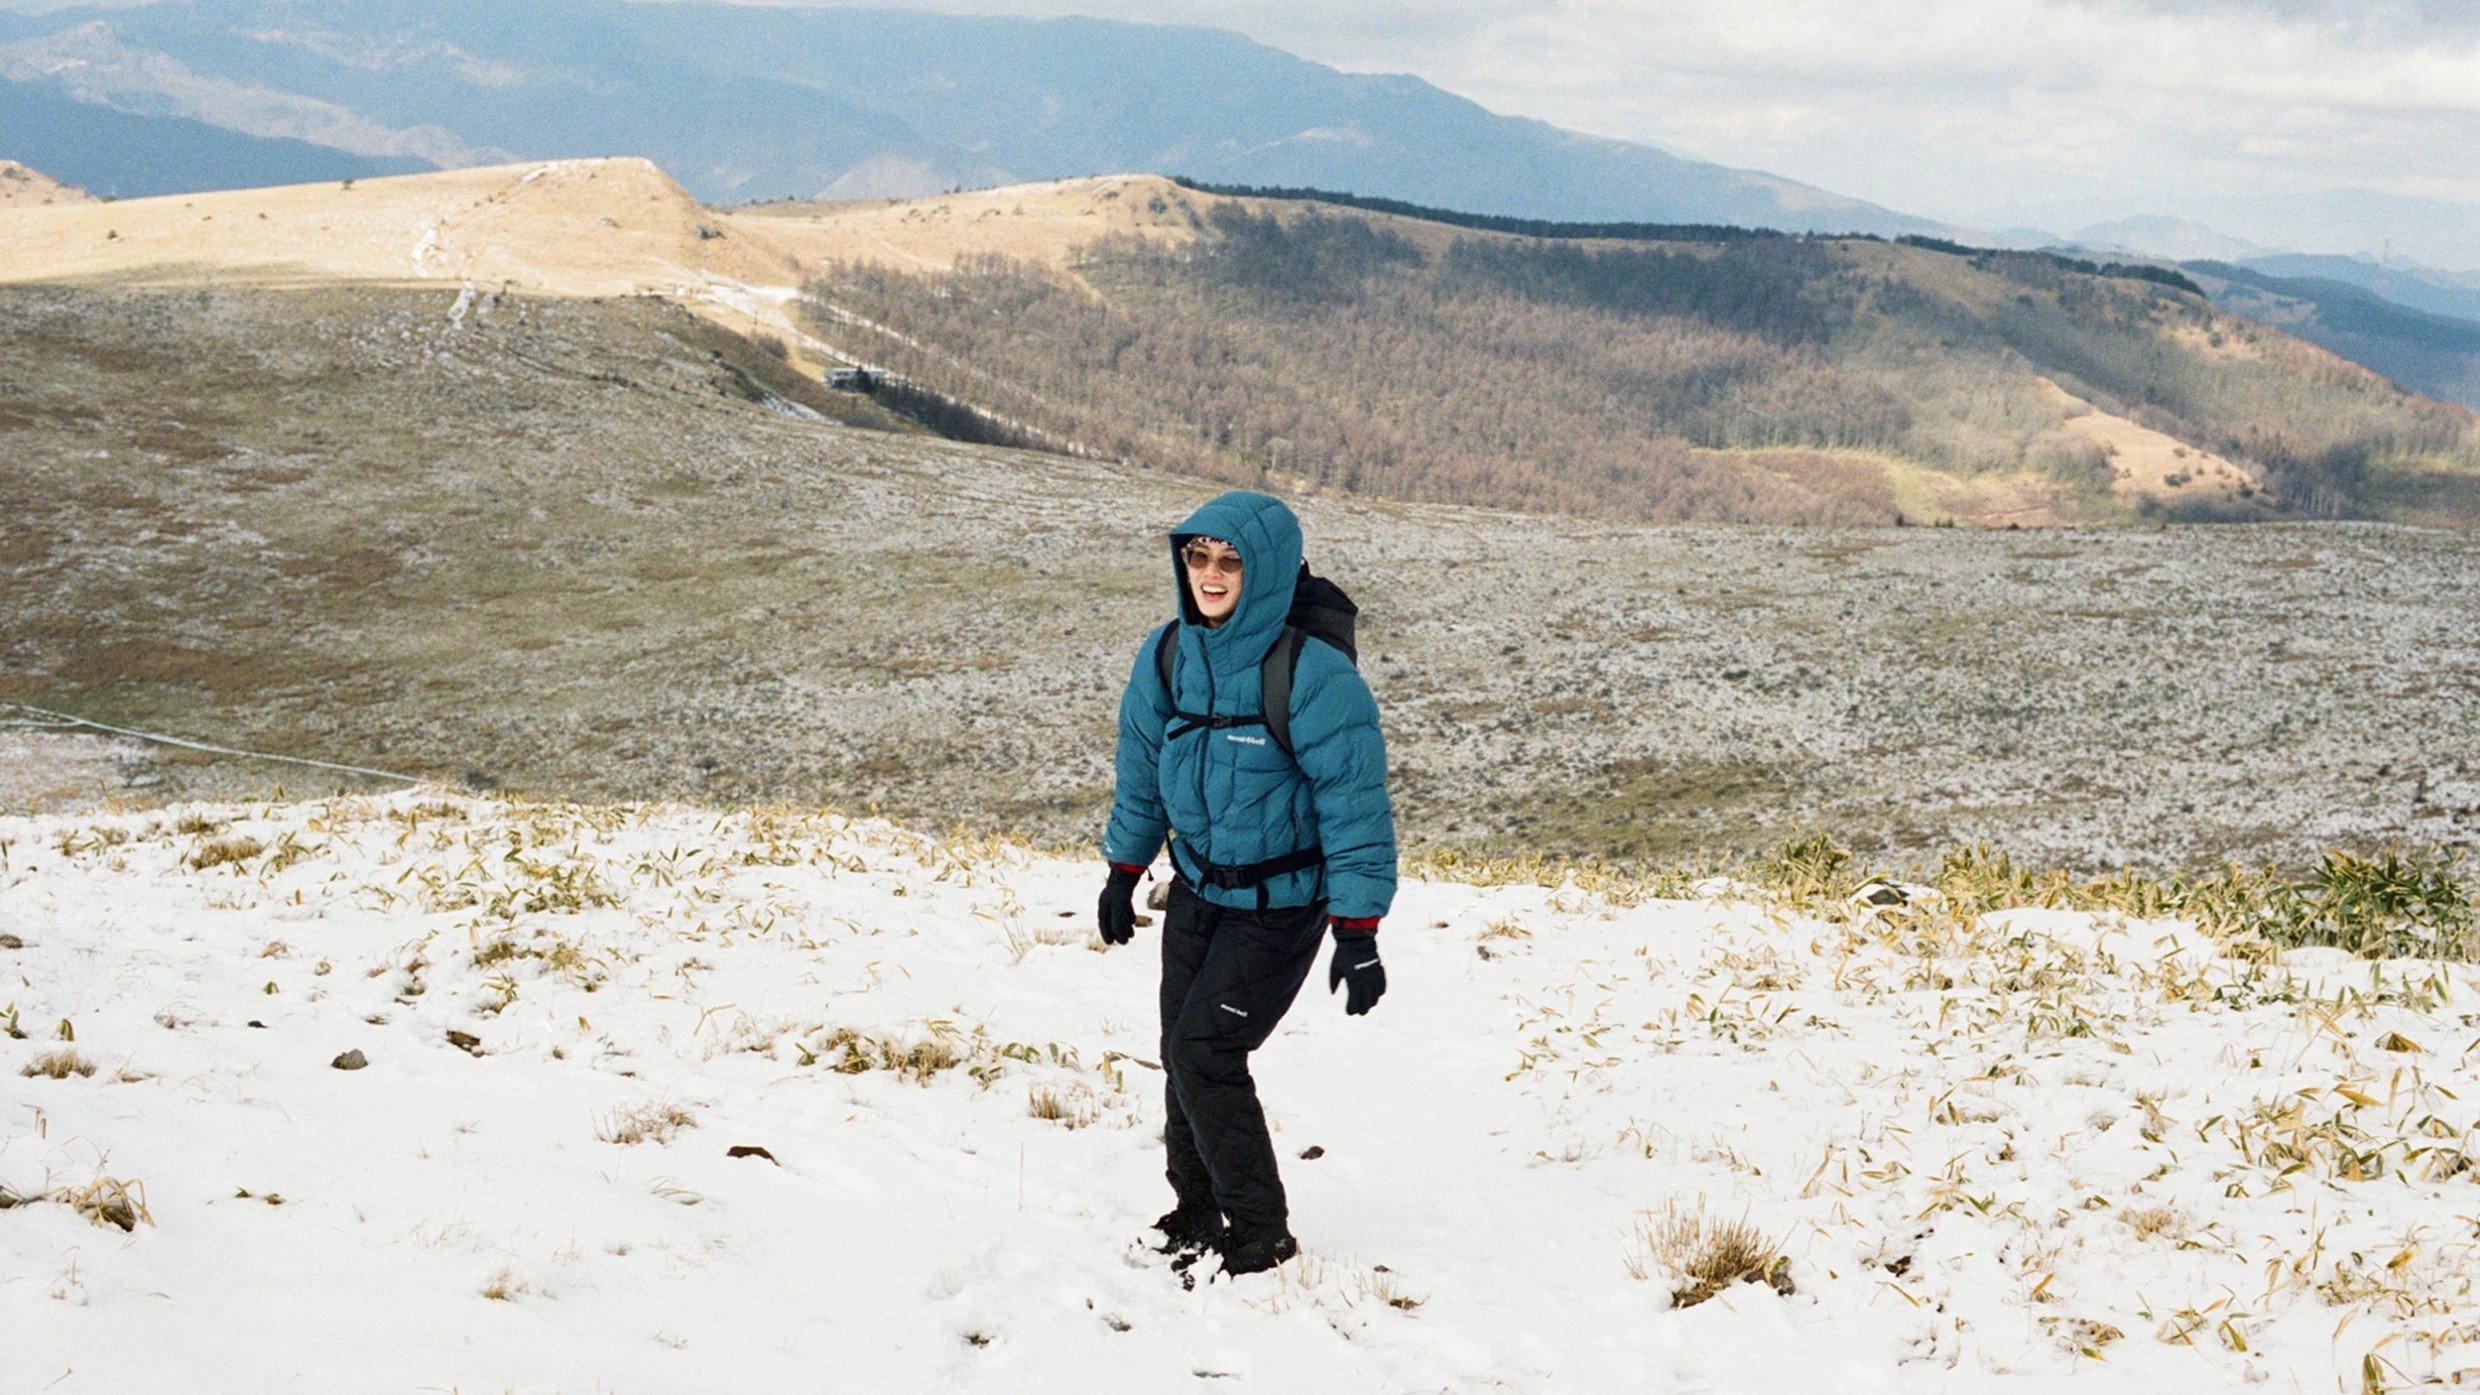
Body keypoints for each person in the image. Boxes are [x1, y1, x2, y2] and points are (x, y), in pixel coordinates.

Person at [1097, 489, 1397, 1277]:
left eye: (1230, 560)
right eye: (1198, 555)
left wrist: (1357, 931)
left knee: (1205, 1050)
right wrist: (1124, 867)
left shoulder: (1313, 675)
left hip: (1280, 906)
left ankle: (1262, 1231)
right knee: (1180, 1049)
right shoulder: (1169, 654)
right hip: (1198, 889)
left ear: (1265, 570)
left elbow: (1355, 807)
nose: (1210, 573)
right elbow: (1141, 771)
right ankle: (1196, 1209)